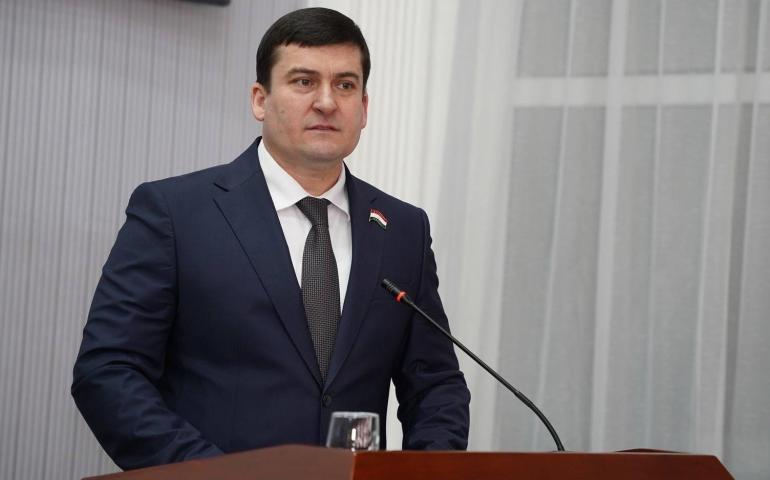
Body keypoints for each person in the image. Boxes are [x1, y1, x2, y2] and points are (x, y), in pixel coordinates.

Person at [72, 7, 470, 470]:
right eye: (304, 81)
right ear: (260, 100)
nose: (327, 102)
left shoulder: (403, 229)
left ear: (364, 108)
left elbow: (436, 385)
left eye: (345, 85)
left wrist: (420, 474)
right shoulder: (176, 213)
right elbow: (108, 372)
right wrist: (215, 474)